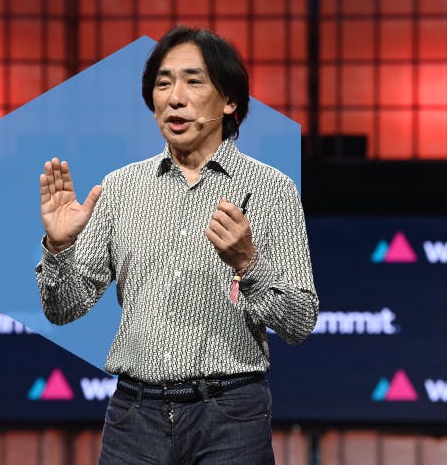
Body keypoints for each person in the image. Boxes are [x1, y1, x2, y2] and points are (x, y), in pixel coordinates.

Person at [36, 25, 318, 464]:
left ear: (230, 102)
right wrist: (58, 249)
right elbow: (62, 309)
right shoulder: (121, 188)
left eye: (193, 80)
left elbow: (300, 322)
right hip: (135, 418)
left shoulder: (271, 190)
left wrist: (249, 264)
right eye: (163, 83)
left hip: (230, 417)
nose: (175, 97)